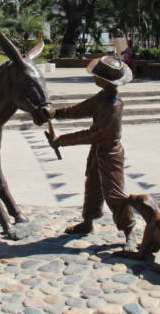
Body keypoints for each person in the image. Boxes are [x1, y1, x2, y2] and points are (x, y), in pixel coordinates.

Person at [45, 55, 137, 252]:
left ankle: (130, 232)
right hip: (98, 150)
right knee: (92, 186)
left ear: (105, 80)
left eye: (97, 76)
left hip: (110, 152)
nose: (94, 77)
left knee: (114, 193)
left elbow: (95, 134)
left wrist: (62, 140)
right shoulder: (102, 97)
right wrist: (56, 113)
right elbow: (80, 109)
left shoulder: (114, 104)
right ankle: (88, 221)